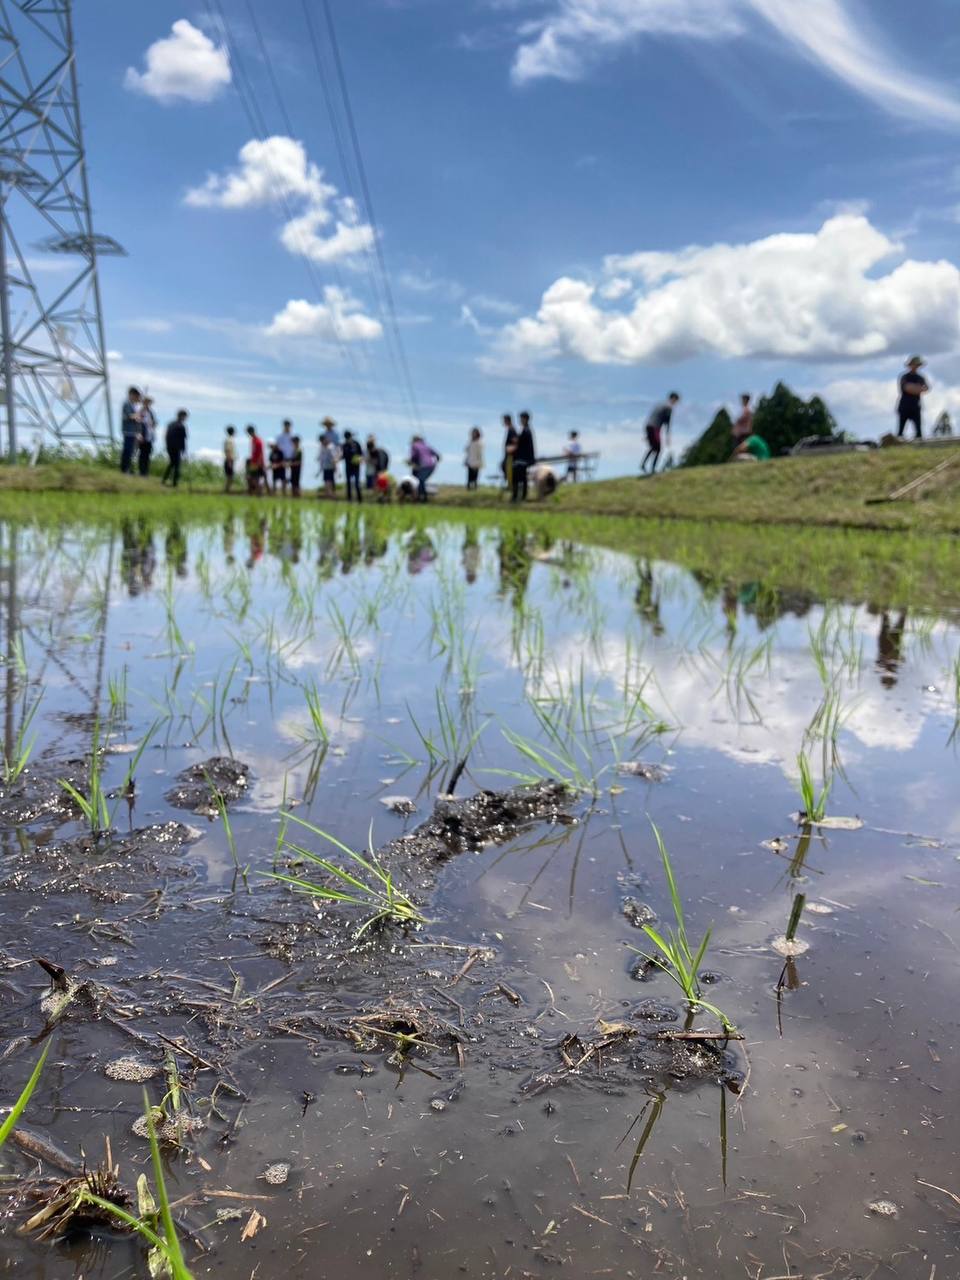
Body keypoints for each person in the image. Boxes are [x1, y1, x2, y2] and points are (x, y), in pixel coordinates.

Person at [641, 393, 679, 475]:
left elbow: (652, 417)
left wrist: (647, 434)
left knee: (654, 447)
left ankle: (643, 465)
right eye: (676, 400)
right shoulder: (668, 408)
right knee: (658, 449)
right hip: (655, 428)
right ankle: (652, 469)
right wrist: (668, 436)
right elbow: (667, 423)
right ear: (673, 399)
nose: (676, 403)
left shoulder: (660, 405)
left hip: (649, 427)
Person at [897, 356, 928, 439]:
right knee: (900, 431)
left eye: (918, 365)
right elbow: (906, 388)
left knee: (919, 431)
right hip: (904, 406)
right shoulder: (905, 377)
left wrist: (914, 388)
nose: (916, 366)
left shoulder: (920, 377)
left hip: (916, 407)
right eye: (914, 364)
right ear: (910, 365)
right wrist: (918, 388)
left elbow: (926, 388)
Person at [512, 411, 536, 502]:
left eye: (521, 418)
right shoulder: (526, 430)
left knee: (519, 479)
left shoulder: (526, 430)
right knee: (521, 479)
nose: (520, 420)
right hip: (523, 459)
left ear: (525, 419)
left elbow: (520, 443)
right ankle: (521, 496)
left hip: (522, 459)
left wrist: (516, 440)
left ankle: (519, 497)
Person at [409, 435, 439, 502]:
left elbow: (414, 456)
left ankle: (421, 497)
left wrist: (410, 462)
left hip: (423, 465)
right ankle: (422, 497)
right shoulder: (426, 446)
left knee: (419, 480)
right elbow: (437, 455)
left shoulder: (414, 445)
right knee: (420, 480)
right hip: (432, 466)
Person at [162, 409, 188, 487]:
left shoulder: (170, 424)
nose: (185, 418)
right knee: (176, 465)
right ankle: (174, 483)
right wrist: (184, 449)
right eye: (185, 417)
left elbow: (166, 436)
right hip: (177, 448)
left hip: (169, 446)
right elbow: (183, 439)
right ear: (182, 416)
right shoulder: (181, 426)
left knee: (172, 463)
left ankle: (165, 480)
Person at [120, 387, 142, 474]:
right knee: (127, 450)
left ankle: (127, 468)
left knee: (130, 451)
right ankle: (124, 469)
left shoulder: (133, 405)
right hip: (128, 430)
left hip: (132, 431)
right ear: (132, 395)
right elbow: (128, 416)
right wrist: (136, 416)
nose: (137, 398)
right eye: (136, 396)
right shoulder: (127, 404)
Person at [342, 430, 363, 502]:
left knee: (357, 483)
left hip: (356, 467)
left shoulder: (357, 444)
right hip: (348, 466)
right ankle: (349, 500)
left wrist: (360, 459)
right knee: (348, 484)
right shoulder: (344, 445)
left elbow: (361, 454)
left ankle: (360, 500)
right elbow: (343, 456)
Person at [138, 396, 157, 476]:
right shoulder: (140, 411)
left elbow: (153, 422)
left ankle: (146, 471)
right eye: (147, 402)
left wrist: (154, 424)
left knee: (148, 454)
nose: (148, 404)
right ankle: (141, 471)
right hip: (142, 435)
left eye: (149, 403)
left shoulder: (151, 412)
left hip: (150, 435)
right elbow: (139, 423)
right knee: (142, 454)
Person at [318, 430, 339, 497]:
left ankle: (331, 495)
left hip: (331, 467)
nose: (322, 442)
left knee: (330, 481)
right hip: (325, 467)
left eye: (322, 440)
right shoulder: (322, 447)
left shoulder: (331, 447)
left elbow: (334, 458)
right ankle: (328, 495)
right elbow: (321, 458)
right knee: (326, 481)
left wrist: (336, 467)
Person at [246, 424, 266, 495]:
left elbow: (260, 453)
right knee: (252, 478)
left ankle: (260, 493)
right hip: (253, 462)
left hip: (257, 463)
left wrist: (259, 463)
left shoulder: (258, 441)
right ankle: (256, 493)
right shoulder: (253, 440)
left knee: (256, 479)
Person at [501, 413, 518, 489]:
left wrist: (510, 448)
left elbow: (515, 442)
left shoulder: (512, 430)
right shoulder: (510, 429)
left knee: (508, 469)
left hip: (511, 455)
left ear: (507, 420)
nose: (503, 422)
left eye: (504, 420)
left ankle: (510, 486)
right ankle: (509, 485)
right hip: (509, 454)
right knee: (505, 468)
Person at [223, 425, 237, 492]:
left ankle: (228, 489)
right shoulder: (230, 440)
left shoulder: (229, 439)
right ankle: (227, 489)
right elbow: (228, 451)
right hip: (229, 460)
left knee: (230, 476)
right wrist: (229, 461)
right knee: (230, 476)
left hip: (229, 459)